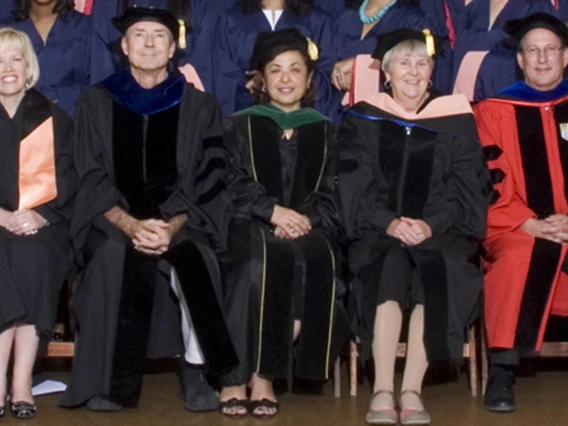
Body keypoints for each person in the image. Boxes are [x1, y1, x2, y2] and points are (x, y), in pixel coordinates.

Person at [58, 7, 238, 412]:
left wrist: (170, 226)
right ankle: (109, 380)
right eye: (139, 35)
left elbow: (207, 179)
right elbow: (88, 172)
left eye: (160, 36)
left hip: (179, 217)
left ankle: (196, 374)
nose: (150, 43)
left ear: (174, 48)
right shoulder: (96, 101)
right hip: (112, 217)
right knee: (109, 254)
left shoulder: (198, 105)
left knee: (196, 256)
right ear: (124, 46)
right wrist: (129, 222)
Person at [337, 29, 491, 425]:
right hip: (378, 229)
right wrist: (388, 222)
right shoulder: (364, 117)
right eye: (404, 62)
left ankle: (412, 390)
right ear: (386, 71)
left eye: (422, 63)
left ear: (432, 70)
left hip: (441, 231)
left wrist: (430, 223)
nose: (414, 71)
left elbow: (470, 187)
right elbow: (353, 183)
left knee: (436, 269)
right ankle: (383, 389)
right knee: (386, 266)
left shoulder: (454, 117)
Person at [218, 28, 348, 419]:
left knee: (311, 261)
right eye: (276, 70)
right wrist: (272, 212)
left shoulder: (324, 129)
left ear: (310, 79)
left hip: (309, 227)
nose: (286, 78)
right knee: (256, 264)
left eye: (296, 70)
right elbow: (229, 180)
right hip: (251, 221)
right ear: (260, 80)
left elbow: (334, 188)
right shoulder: (238, 125)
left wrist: (304, 219)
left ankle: (264, 376)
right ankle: (233, 377)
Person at [474, 12, 568, 413]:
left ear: (566, 57)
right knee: (517, 255)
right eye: (533, 50)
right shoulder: (493, 111)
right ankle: (501, 372)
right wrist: (528, 223)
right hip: (515, 225)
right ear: (521, 60)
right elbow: (488, 182)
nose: (542, 58)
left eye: (550, 50)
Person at [0, 27, 76, 420]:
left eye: (15, 58)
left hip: (42, 221)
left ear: (28, 65)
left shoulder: (52, 116)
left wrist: (38, 215)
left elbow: (68, 178)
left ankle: (21, 382)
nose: (6, 68)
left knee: (34, 255)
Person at [213, 0, 336, 118]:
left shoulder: (316, 19)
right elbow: (223, 78)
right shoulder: (232, 19)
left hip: (304, 118)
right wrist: (258, 79)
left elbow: (326, 76)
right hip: (247, 116)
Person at [330, 0, 443, 120]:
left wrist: (361, 67)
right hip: (340, 116)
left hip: (389, 119)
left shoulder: (416, 21)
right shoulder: (342, 18)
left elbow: (418, 71)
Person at [89, 0, 216, 91]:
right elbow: (102, 69)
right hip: (123, 103)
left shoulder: (200, 4)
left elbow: (202, 68)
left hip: (180, 105)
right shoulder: (108, 4)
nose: (149, 43)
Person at [1, 0, 92, 115]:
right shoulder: (6, 31)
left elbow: (97, 83)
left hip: (78, 121)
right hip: (20, 124)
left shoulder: (86, 27)